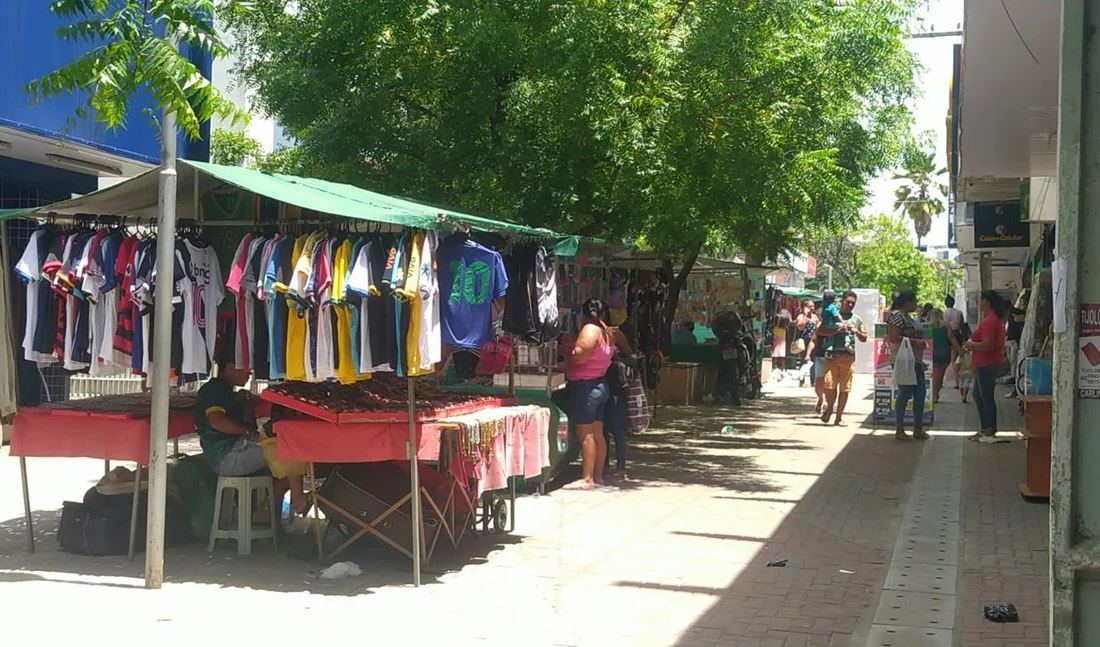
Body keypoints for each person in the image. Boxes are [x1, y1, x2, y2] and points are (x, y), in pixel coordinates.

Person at [195, 358, 309, 516]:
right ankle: (298, 501)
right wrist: (248, 432)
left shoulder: (226, 391)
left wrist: (246, 404)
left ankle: (265, 511)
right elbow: (217, 421)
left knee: (289, 466)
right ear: (230, 366)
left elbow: (251, 426)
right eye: (246, 368)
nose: (250, 373)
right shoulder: (214, 390)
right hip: (227, 455)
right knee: (289, 448)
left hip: (233, 451)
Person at [565, 298, 617, 490]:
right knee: (597, 432)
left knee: (585, 433)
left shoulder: (590, 330)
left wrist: (568, 349)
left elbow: (579, 354)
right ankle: (597, 476)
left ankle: (587, 478)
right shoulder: (608, 332)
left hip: (586, 386)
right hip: (599, 384)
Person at [819, 291, 867, 426]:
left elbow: (864, 338)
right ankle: (829, 409)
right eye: (848, 302)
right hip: (832, 356)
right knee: (829, 386)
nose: (850, 305)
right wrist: (836, 331)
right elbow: (821, 331)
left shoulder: (857, 320)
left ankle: (838, 417)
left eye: (853, 303)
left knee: (844, 389)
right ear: (842, 301)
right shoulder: (831, 314)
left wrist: (855, 331)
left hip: (848, 358)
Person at [965, 290, 1007, 442]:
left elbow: (987, 345)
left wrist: (971, 345)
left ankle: (989, 428)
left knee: (986, 396)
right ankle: (985, 427)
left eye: (980, 300)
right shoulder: (992, 320)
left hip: (987, 363)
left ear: (986, 302)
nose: (979, 303)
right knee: (978, 395)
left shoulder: (990, 321)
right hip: (985, 363)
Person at [887, 291, 929, 440]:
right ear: (907, 302)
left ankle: (918, 428)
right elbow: (893, 337)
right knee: (905, 393)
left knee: (920, 394)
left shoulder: (909, 318)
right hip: (903, 360)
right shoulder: (896, 316)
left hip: (915, 360)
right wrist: (915, 342)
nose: (916, 304)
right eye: (914, 301)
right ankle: (900, 429)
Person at [603, 326, 636, 479]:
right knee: (606, 430)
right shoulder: (605, 333)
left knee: (615, 430)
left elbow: (631, 359)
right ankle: (606, 465)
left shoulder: (615, 333)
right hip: (610, 389)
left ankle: (620, 467)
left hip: (616, 389)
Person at [928, 308, 952, 403]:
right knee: (940, 376)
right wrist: (959, 349)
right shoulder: (946, 325)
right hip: (945, 352)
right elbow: (951, 338)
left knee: (934, 374)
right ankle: (936, 394)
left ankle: (934, 394)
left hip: (933, 352)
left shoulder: (928, 326)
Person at [795, 299, 819, 386]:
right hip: (804, 340)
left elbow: (818, 327)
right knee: (803, 360)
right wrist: (805, 316)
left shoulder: (815, 317)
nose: (812, 308)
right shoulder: (801, 316)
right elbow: (800, 327)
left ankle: (813, 381)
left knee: (813, 360)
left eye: (813, 306)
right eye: (810, 306)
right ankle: (802, 380)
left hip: (813, 340)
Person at [955, 322, 973, 403]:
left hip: (962, 372)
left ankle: (963, 396)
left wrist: (956, 373)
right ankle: (964, 396)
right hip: (968, 372)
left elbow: (957, 364)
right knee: (965, 385)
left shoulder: (961, 356)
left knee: (962, 385)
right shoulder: (970, 355)